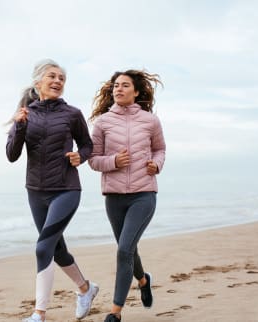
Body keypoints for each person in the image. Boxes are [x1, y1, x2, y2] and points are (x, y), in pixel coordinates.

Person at [6, 59, 99, 322]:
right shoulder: (25, 114)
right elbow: (12, 155)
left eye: (61, 78)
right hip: (35, 191)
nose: (57, 81)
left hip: (66, 188)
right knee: (56, 250)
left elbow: (87, 145)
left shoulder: (72, 114)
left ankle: (39, 314)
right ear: (39, 82)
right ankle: (86, 288)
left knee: (42, 247)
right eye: (52, 76)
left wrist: (79, 156)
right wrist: (19, 126)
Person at [88, 69, 166, 322]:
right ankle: (143, 280)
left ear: (136, 91)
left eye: (124, 85)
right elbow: (93, 160)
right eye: (115, 86)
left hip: (144, 194)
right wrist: (113, 161)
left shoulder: (150, 120)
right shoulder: (102, 123)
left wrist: (157, 164)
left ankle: (115, 314)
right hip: (114, 197)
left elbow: (160, 149)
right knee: (128, 249)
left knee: (123, 250)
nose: (118, 89)